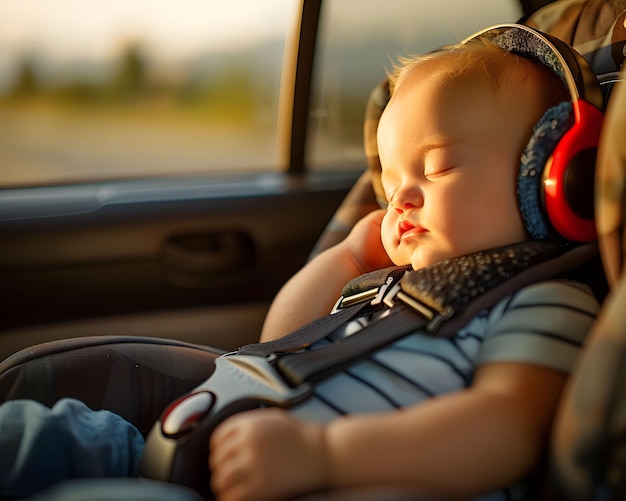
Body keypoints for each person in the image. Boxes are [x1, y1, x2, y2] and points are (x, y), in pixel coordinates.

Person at [0, 33, 600, 501]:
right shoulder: (388, 287)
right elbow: (277, 343)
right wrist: (349, 258)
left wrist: (324, 454)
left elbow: (508, 429)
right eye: (391, 187)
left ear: (549, 176)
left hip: (306, 479)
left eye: (437, 168)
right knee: (27, 433)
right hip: (184, 445)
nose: (402, 200)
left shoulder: (545, 300)